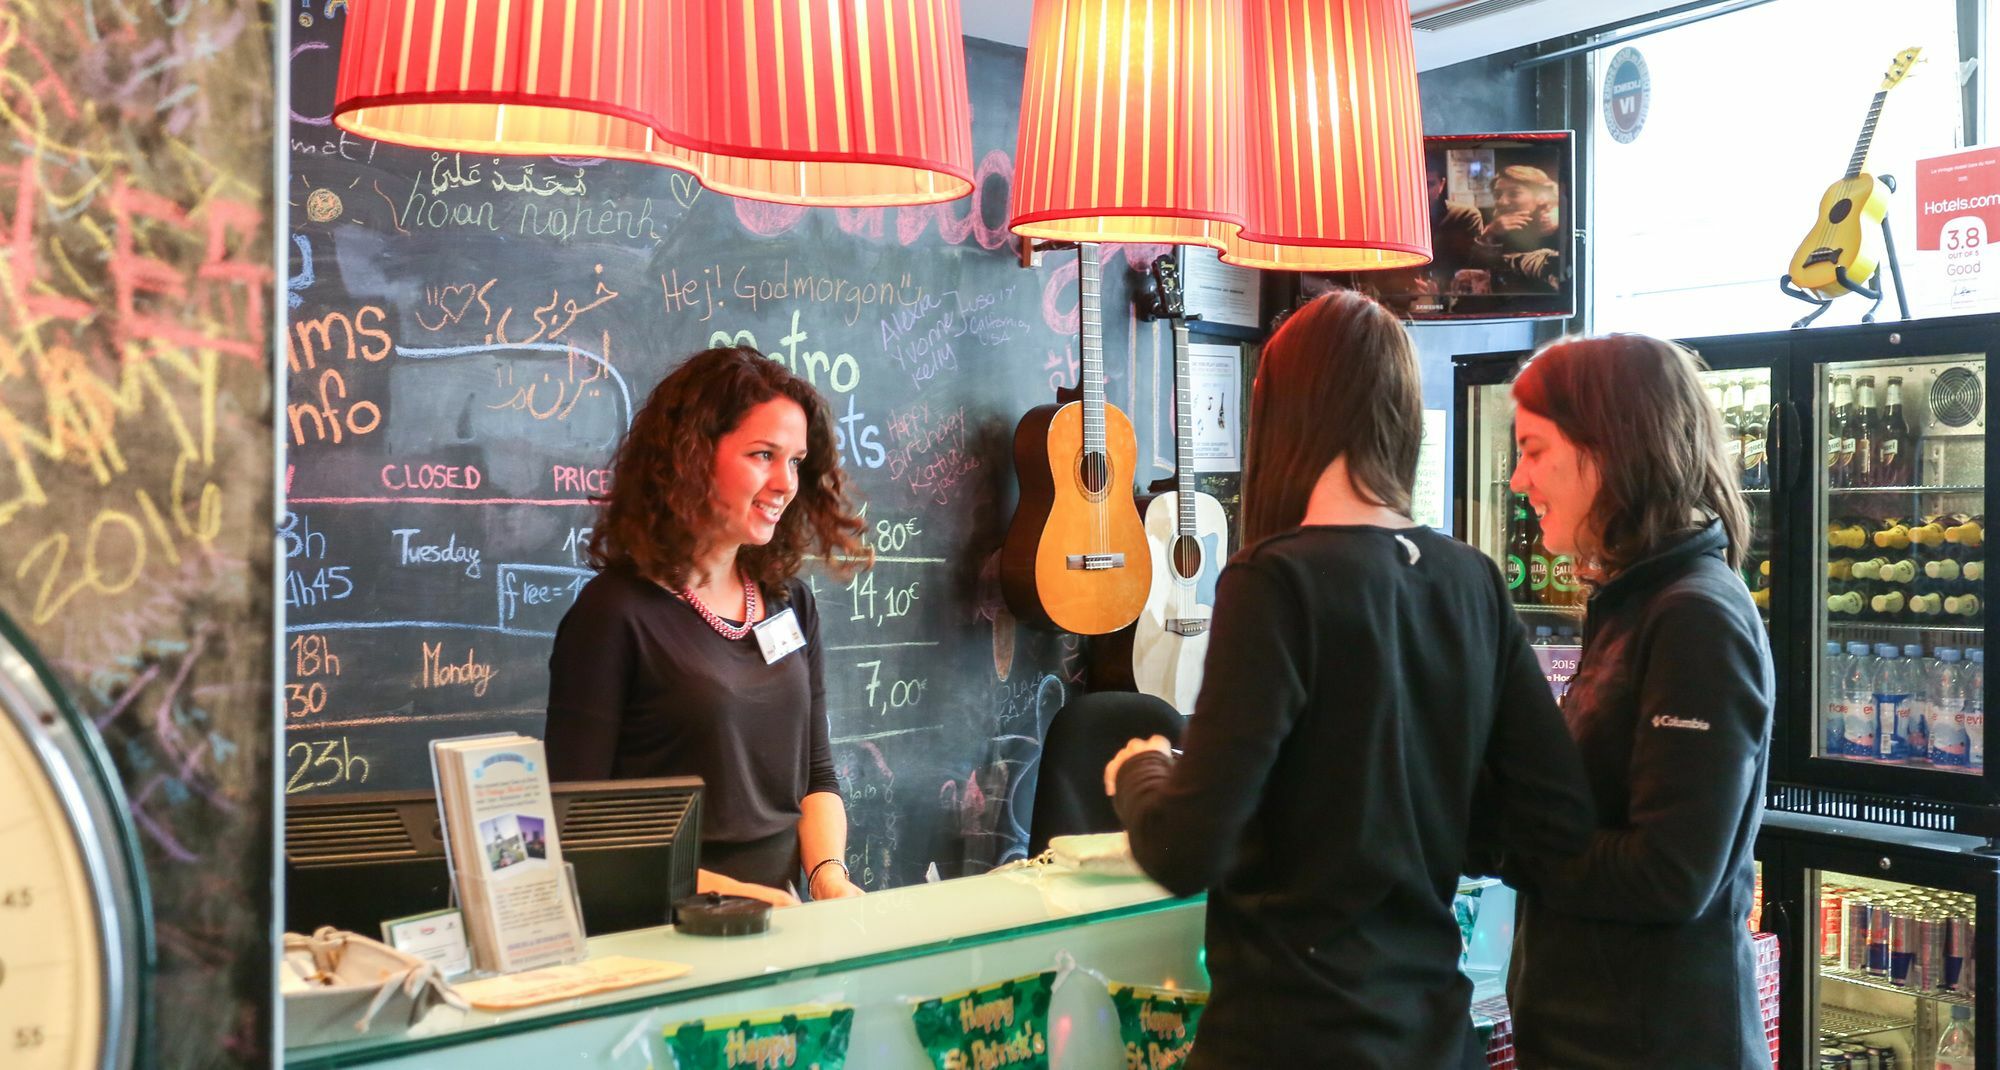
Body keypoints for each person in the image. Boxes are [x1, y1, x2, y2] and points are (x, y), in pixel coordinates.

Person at [1102, 290, 1595, 1068]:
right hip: (1434, 1036)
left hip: (1293, 1039)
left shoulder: (1275, 580)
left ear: (1285, 411)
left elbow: (1185, 848)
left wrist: (1141, 771)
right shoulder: (1471, 579)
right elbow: (1554, 825)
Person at [1504, 334, 1774, 1068]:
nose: (1517, 480)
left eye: (1534, 449)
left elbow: (1669, 874)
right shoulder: (1631, 602)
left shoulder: (1695, 618)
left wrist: (1510, 840)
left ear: (1612, 447)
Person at [545, 346, 872, 908]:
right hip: (664, 927)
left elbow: (816, 774)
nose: (785, 483)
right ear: (690, 458)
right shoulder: (614, 615)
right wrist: (732, 894)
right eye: (763, 455)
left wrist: (828, 877)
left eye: (794, 461)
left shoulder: (789, 602)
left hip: (778, 918)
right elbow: (576, 829)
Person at [1469, 164, 1563, 294]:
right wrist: (1489, 234)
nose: (1501, 202)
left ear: (1542, 196)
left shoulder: (1560, 223)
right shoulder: (1497, 228)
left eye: (1514, 193)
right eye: (1497, 195)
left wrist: (1562, 219)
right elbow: (1474, 274)